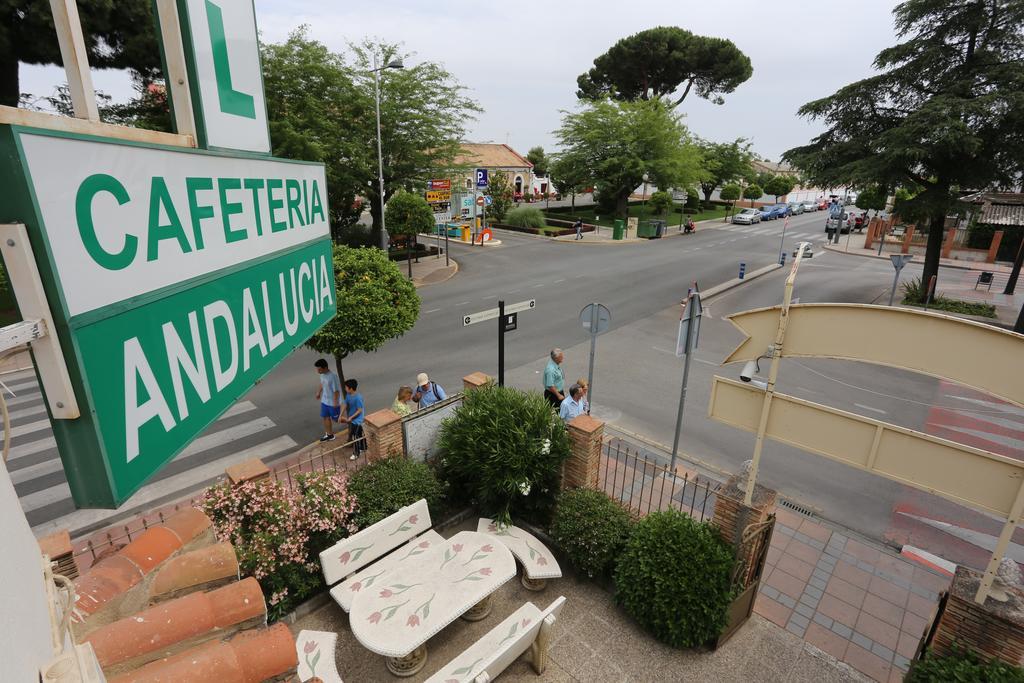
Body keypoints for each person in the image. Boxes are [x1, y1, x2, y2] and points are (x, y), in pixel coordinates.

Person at [314, 359, 341, 442]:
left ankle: (353, 422)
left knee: (337, 419)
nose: (318, 371)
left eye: (319, 369)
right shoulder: (322, 375)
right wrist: (318, 392)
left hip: (333, 403)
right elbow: (322, 383)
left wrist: (335, 402)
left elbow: (336, 391)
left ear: (325, 367)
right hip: (325, 401)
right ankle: (329, 435)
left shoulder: (333, 377)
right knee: (325, 417)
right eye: (317, 369)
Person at [338, 379, 365, 460]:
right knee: (359, 434)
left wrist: (351, 417)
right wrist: (340, 414)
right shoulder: (348, 396)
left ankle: (356, 453)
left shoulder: (358, 398)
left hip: (358, 421)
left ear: (351, 388)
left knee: (356, 436)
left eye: (346, 387)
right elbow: (345, 404)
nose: (345, 389)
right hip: (353, 419)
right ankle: (363, 448)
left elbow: (360, 410)